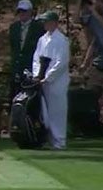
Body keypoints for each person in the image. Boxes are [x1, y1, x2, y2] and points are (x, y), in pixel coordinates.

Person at [33, 11, 70, 150]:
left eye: (47, 21)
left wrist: (48, 77)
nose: (44, 24)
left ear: (54, 22)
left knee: (57, 111)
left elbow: (61, 63)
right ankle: (48, 139)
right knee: (45, 111)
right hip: (42, 80)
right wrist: (38, 75)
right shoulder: (42, 39)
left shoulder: (62, 40)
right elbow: (36, 58)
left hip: (57, 82)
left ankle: (59, 142)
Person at [8, 0, 45, 100]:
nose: (22, 14)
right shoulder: (14, 28)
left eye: (24, 11)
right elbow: (13, 48)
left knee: (31, 101)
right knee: (14, 100)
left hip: (31, 69)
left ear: (30, 12)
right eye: (20, 11)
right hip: (17, 70)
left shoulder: (39, 28)